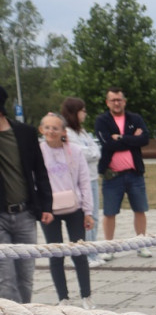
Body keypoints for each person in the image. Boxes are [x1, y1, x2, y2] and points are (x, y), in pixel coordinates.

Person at [0, 84, 52, 315]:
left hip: (25, 213)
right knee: (4, 278)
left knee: (26, 276)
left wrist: (46, 205)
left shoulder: (25, 133)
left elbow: (39, 171)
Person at [38, 113, 94, 309]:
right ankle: (63, 298)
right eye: (47, 128)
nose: (51, 132)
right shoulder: (37, 151)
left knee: (79, 252)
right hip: (49, 209)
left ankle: (86, 296)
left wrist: (88, 211)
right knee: (55, 254)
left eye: (56, 128)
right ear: (41, 130)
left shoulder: (74, 151)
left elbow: (84, 181)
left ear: (63, 131)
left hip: (74, 207)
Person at [94, 87, 151, 259]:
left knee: (140, 209)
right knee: (109, 212)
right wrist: (131, 138)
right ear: (107, 102)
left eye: (119, 99)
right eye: (113, 100)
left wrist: (120, 137)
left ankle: (141, 244)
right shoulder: (102, 120)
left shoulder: (135, 118)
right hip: (112, 175)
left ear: (124, 101)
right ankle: (109, 248)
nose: (117, 103)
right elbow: (108, 144)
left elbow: (144, 139)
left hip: (134, 174)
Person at [60, 97, 102, 267]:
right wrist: (92, 152)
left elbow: (96, 151)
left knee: (94, 217)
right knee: (86, 218)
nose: (85, 114)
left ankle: (93, 251)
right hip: (79, 181)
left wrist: (92, 152)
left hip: (92, 178)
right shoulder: (68, 133)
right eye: (82, 111)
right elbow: (81, 154)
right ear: (74, 112)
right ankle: (85, 255)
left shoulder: (82, 132)